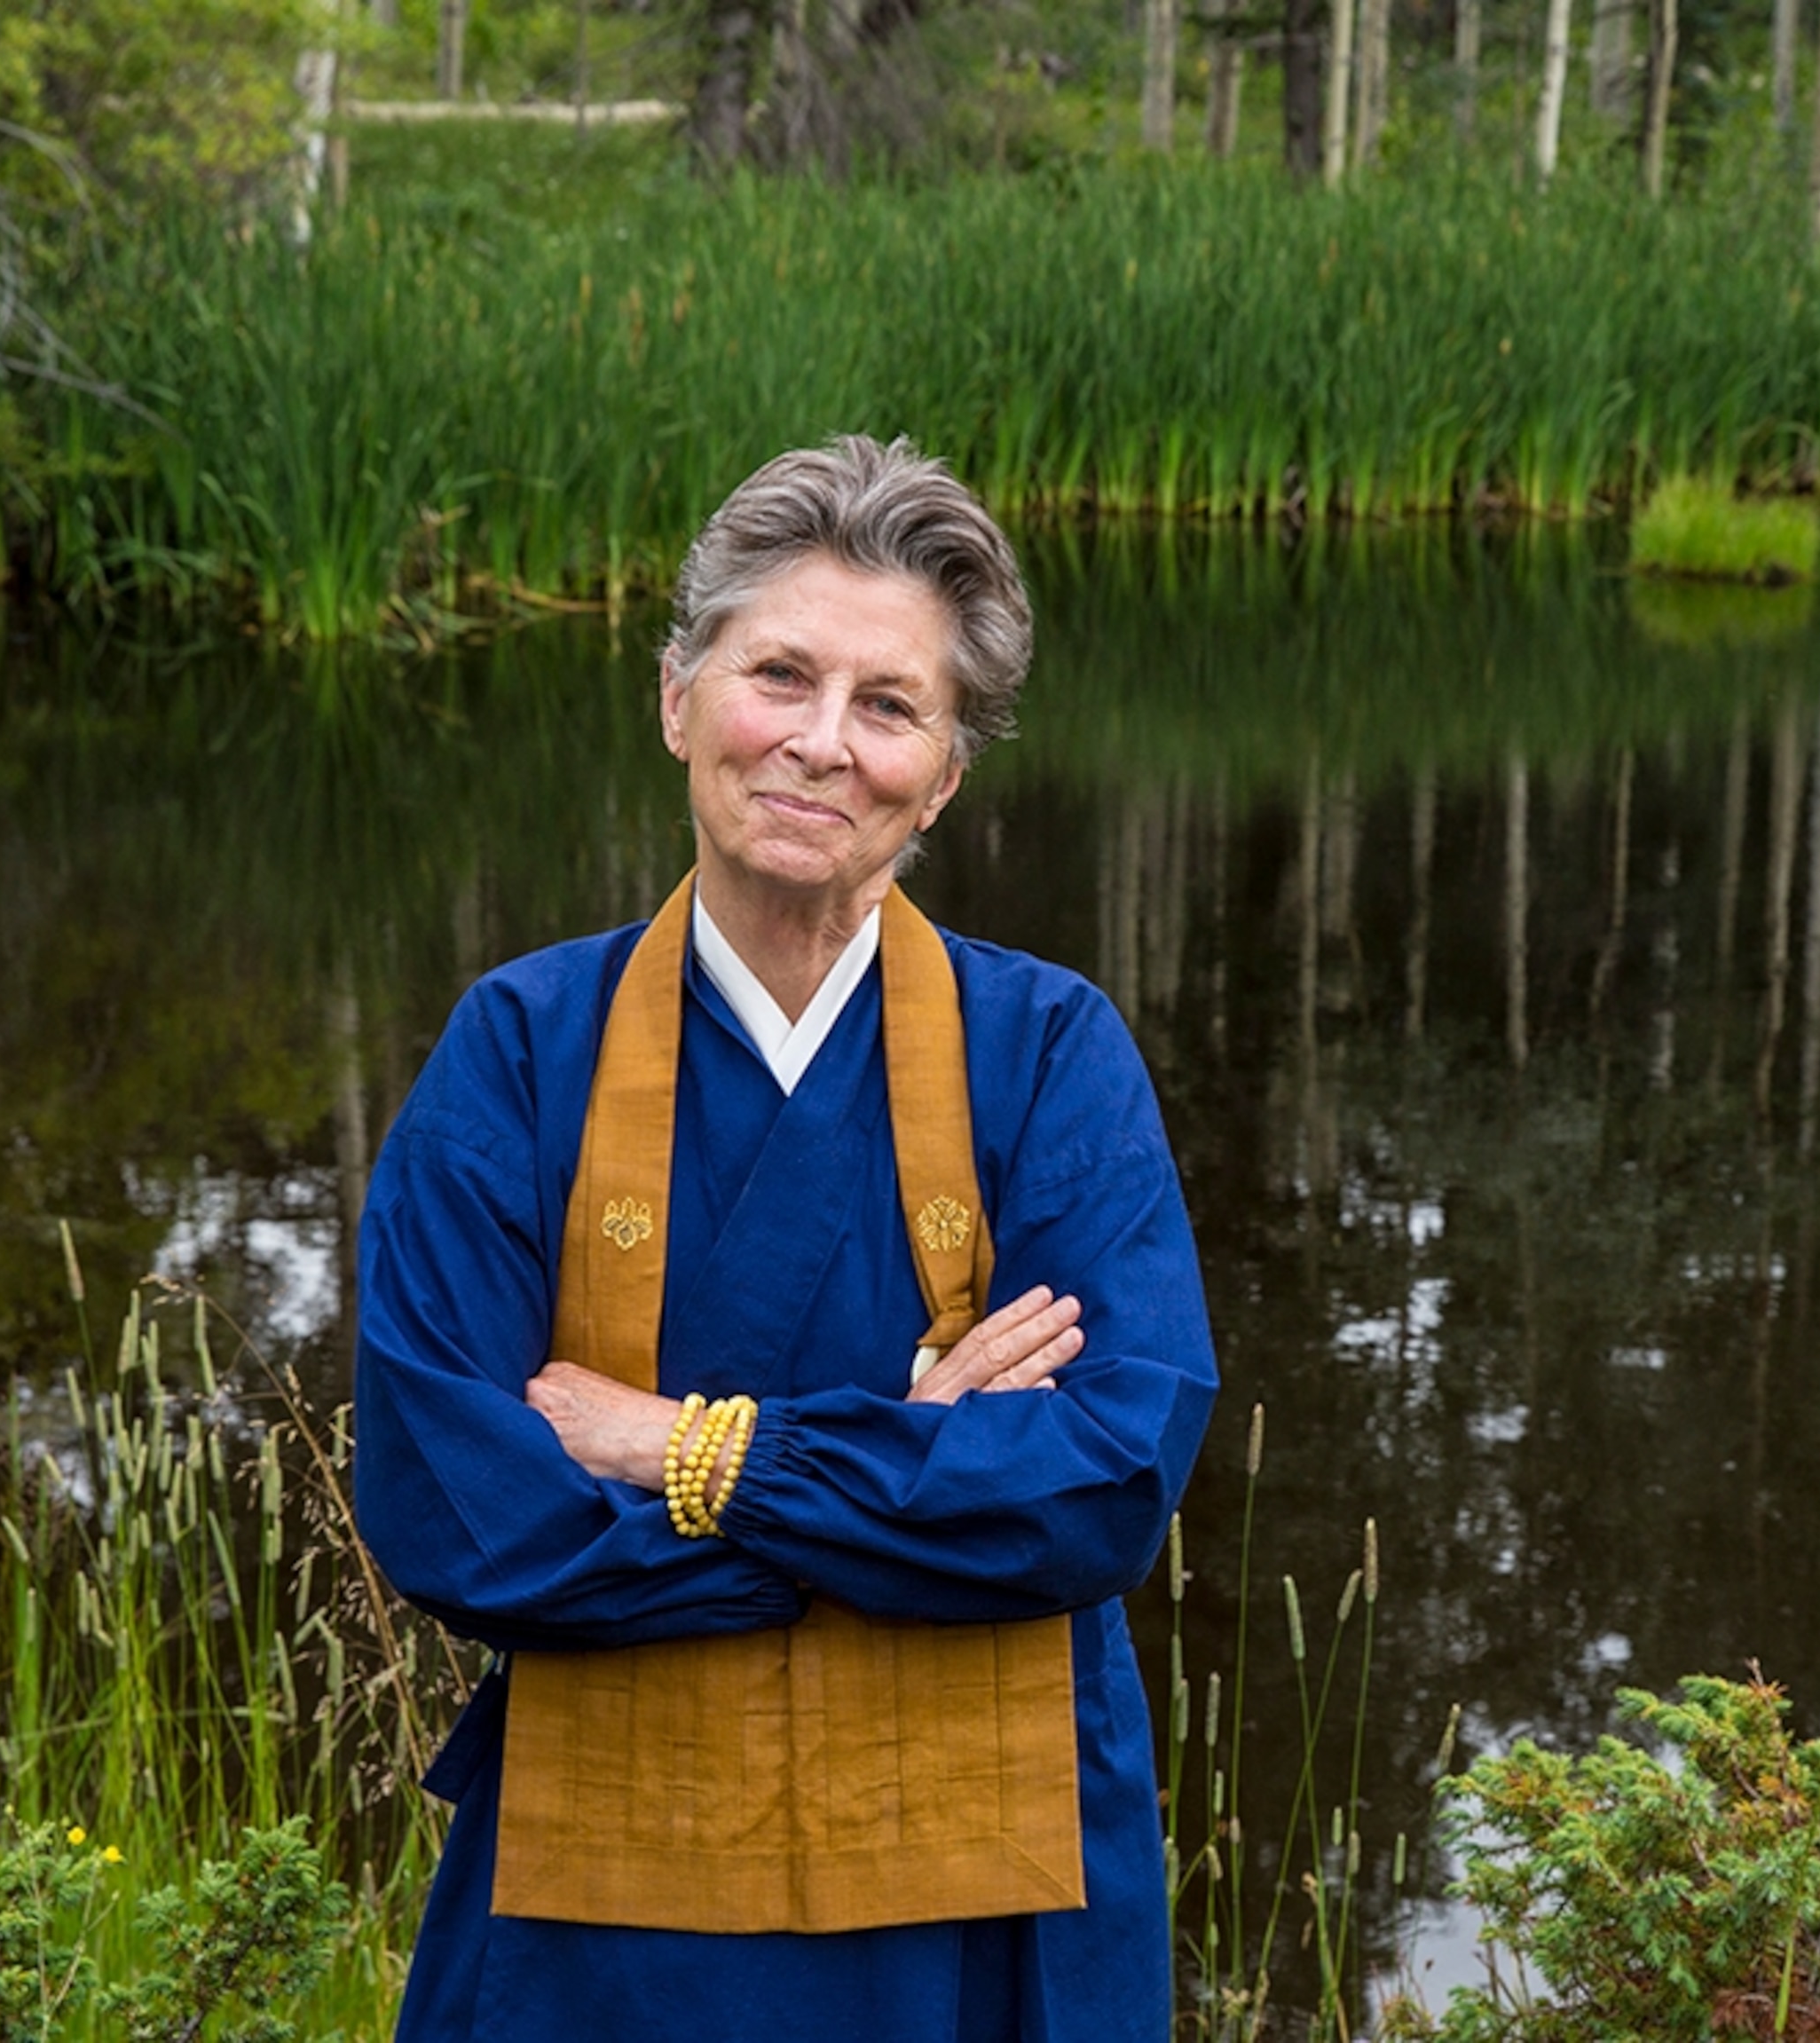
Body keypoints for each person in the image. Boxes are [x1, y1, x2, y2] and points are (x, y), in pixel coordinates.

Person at [353, 436, 1217, 2041]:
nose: (822, 744)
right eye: (779, 675)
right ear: (679, 698)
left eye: (890, 705)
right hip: (605, 1893)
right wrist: (912, 1477)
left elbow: (1102, 1486)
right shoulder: (521, 1051)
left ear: (945, 774)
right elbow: (450, 1506)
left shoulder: (1048, 1054)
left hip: (987, 1887)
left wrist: (680, 1448)